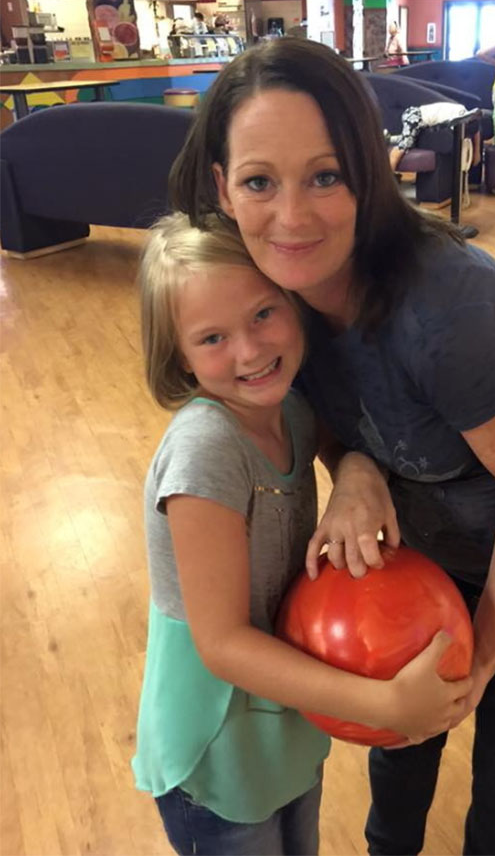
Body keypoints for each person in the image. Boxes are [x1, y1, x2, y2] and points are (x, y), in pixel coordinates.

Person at [169, 38, 495, 856]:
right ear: (222, 188)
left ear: (368, 171)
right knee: (402, 758)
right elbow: (350, 417)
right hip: (432, 557)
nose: (293, 216)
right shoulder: (275, 302)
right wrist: (353, 471)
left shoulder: (445, 314)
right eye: (259, 181)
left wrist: (483, 653)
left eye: (326, 175)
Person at [131, 212, 471, 856]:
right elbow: (224, 645)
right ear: (179, 354)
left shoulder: (288, 403)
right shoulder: (205, 451)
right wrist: (386, 705)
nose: (251, 351)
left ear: (291, 301)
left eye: (263, 314)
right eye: (212, 338)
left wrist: (356, 472)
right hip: (218, 743)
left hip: (286, 712)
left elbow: (337, 445)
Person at [387, 101, 470, 171]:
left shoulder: (464, 111)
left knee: (412, 140)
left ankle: (389, 138)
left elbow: (475, 130)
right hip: (416, 116)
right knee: (403, 147)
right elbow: (454, 132)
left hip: (418, 117)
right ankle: (387, 179)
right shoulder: (459, 116)